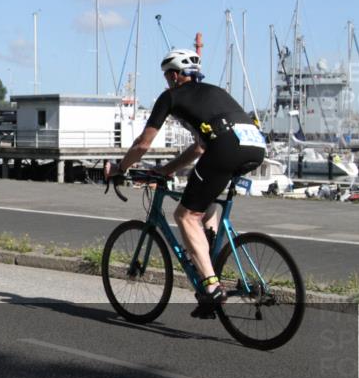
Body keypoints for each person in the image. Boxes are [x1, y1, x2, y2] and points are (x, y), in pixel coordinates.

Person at [105, 49, 266, 318]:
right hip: (255, 146)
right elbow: (200, 148)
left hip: (226, 148)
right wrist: (167, 170)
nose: (167, 81)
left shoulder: (171, 97)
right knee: (207, 206)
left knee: (185, 215)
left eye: (167, 76)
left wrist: (120, 168)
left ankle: (212, 288)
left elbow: (144, 143)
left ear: (175, 75)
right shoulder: (215, 92)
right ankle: (210, 267)